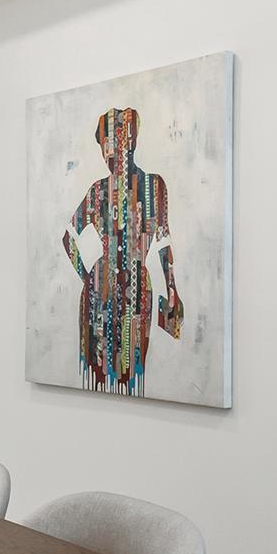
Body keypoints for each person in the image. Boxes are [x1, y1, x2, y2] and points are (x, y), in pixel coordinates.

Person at [61, 107, 183, 394]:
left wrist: (173, 290)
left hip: (137, 292)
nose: (110, 153)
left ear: (132, 141)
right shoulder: (99, 190)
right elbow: (68, 238)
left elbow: (164, 241)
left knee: (130, 372)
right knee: (98, 374)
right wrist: (90, 278)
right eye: (105, 146)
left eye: (116, 142)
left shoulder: (154, 186)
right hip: (101, 293)